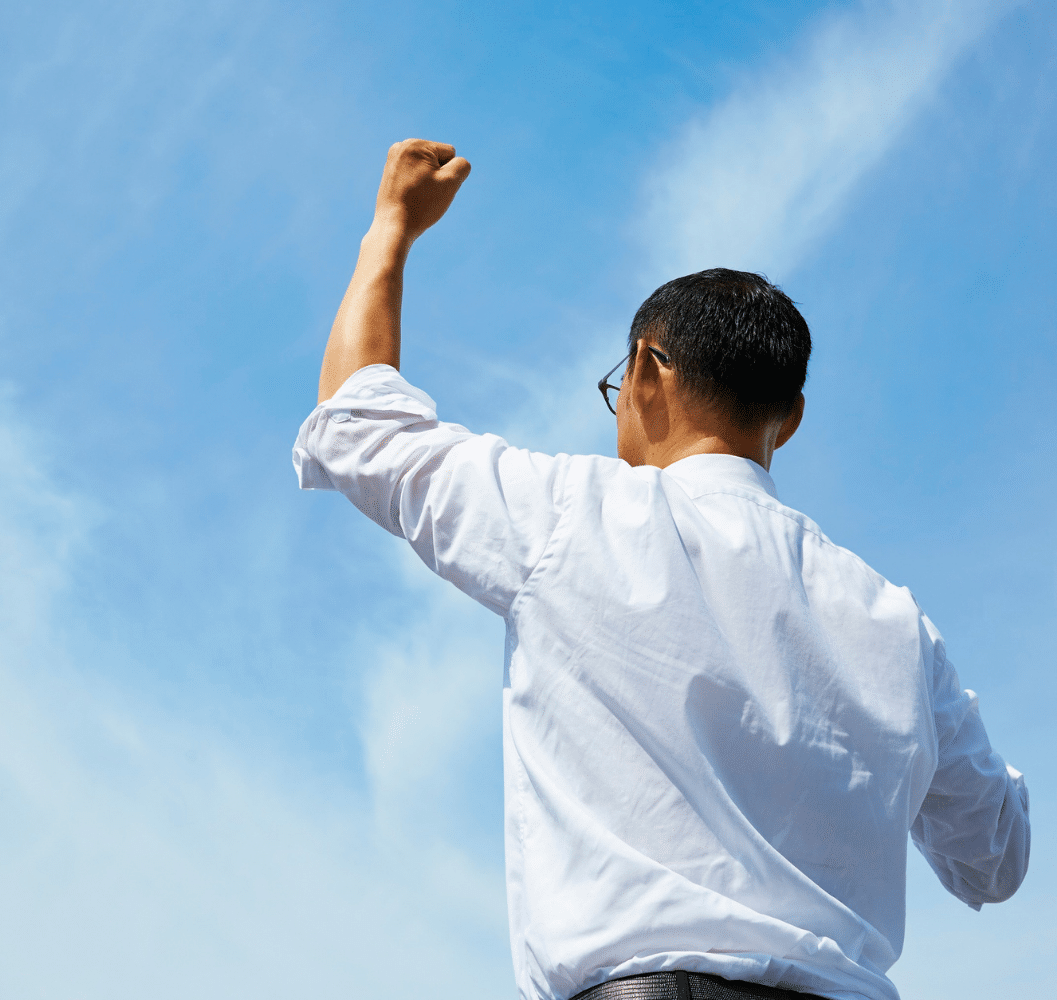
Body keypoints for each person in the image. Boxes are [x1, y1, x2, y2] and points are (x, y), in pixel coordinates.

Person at [292, 140, 1031, 1000]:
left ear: (645, 368)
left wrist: (390, 227)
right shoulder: (898, 624)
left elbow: (357, 427)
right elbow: (996, 860)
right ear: (789, 418)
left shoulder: (574, 515)